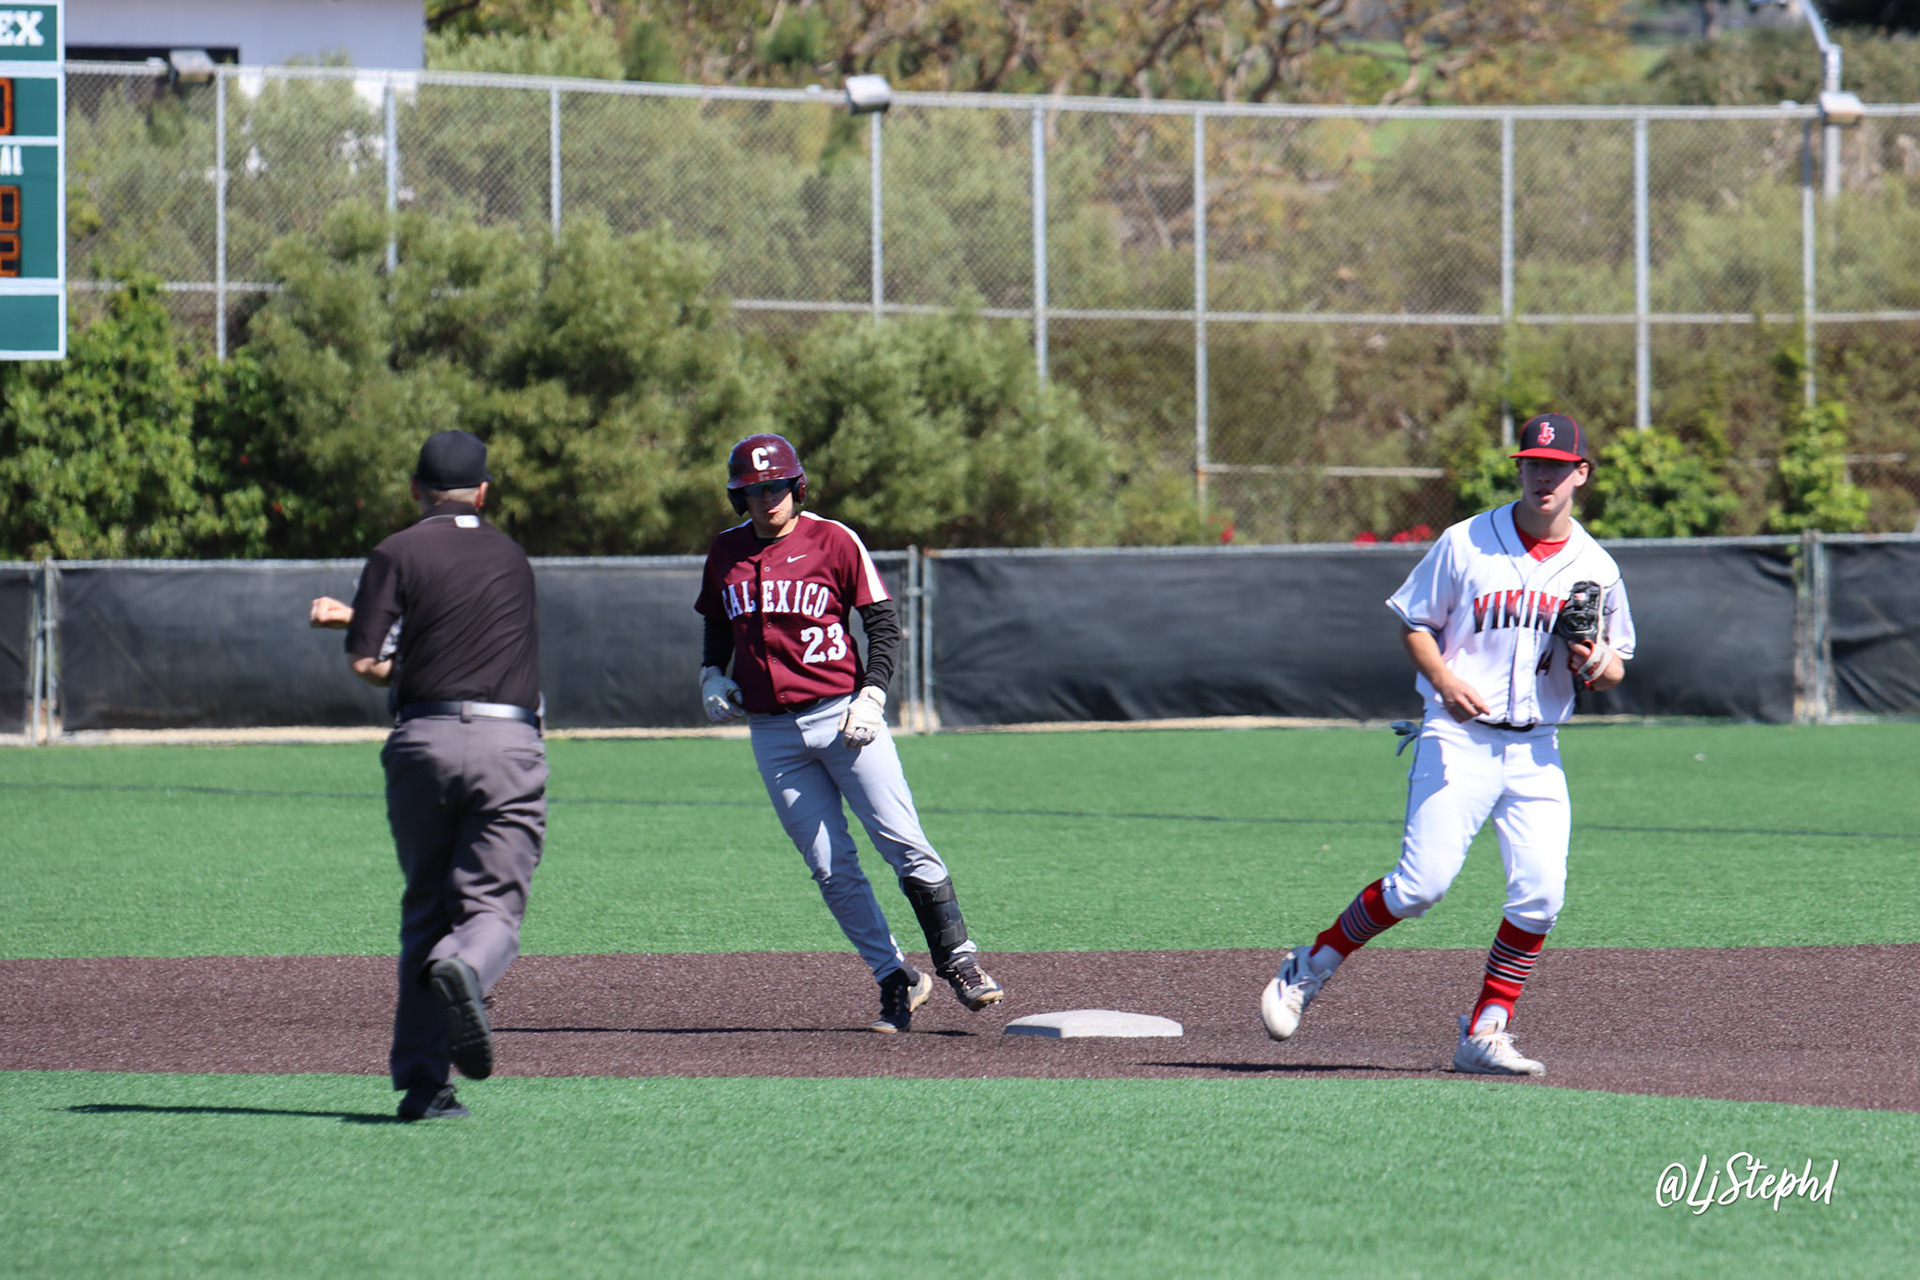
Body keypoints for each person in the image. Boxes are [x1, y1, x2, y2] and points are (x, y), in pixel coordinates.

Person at [1260, 412, 1635, 1076]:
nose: (1543, 476)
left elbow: (1616, 669)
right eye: (1533, 463)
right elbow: (1413, 621)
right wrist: (1443, 679)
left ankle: (1486, 1031)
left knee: (1542, 896)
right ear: (1520, 468)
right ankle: (1310, 966)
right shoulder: (1467, 541)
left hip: (1537, 746)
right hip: (1457, 736)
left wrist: (1594, 657)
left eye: (1557, 466)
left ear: (1581, 473)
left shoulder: (1597, 568)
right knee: (1420, 887)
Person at [696, 433, 1004, 1034]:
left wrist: (872, 694)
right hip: (772, 732)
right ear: (739, 497)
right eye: (754, 491)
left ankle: (959, 962)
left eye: (777, 487)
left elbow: (883, 625)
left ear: (797, 486)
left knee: (903, 841)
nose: (767, 499)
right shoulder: (726, 551)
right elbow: (717, 620)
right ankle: (896, 978)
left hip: (844, 718)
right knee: (829, 866)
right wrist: (711, 672)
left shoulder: (834, 539)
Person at [309, 429, 546, 1120]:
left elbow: (367, 661)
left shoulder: (396, 551)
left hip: (423, 740)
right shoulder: (511, 556)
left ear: (416, 488)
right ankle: (466, 967)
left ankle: (424, 1086)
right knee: (491, 911)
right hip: (507, 741)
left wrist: (368, 634)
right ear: (483, 492)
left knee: (425, 910)